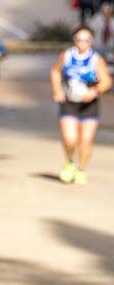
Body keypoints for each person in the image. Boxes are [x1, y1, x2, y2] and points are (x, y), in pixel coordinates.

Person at [50, 25, 112, 185]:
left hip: (89, 105)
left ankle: (81, 169)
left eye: (86, 39)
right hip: (69, 103)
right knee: (70, 139)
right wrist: (57, 91)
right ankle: (70, 162)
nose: (82, 42)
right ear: (74, 40)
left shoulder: (96, 59)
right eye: (79, 39)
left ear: (91, 41)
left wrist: (94, 91)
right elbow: (55, 72)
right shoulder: (67, 55)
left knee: (86, 140)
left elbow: (107, 81)